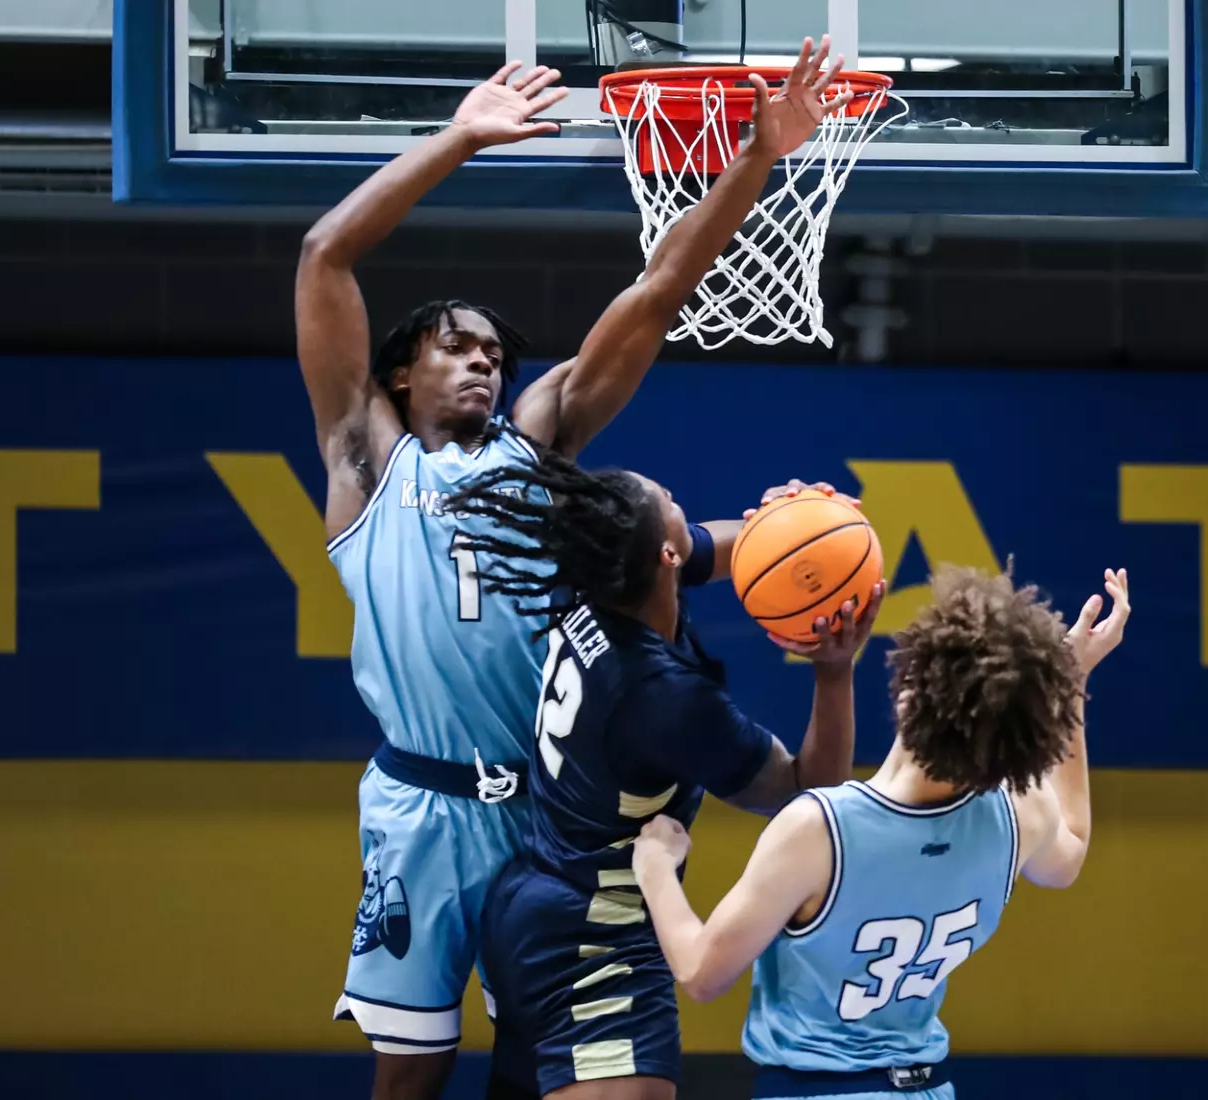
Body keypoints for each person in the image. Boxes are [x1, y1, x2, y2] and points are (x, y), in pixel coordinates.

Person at [295, 36, 858, 1100]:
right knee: (407, 1073)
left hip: (546, 825)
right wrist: (460, 138)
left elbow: (655, 292)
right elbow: (326, 254)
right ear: (403, 368)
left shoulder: (541, 452)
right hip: (421, 804)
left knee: (538, 1071)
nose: (483, 361)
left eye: (495, 354)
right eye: (456, 346)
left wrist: (757, 160)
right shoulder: (366, 460)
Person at [439, 450, 886, 1100]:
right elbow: (805, 793)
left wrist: (798, 520)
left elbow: (730, 548)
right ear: (666, 558)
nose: (685, 509)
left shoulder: (590, 578)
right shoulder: (663, 697)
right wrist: (834, 671)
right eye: (674, 502)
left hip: (532, 906)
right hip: (595, 939)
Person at [630, 566, 1131, 1100]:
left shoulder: (819, 828)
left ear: (907, 694)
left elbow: (704, 973)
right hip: (929, 1089)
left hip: (814, 1090)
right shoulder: (1017, 816)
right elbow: (1071, 850)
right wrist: (1072, 687)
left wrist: (656, 867)